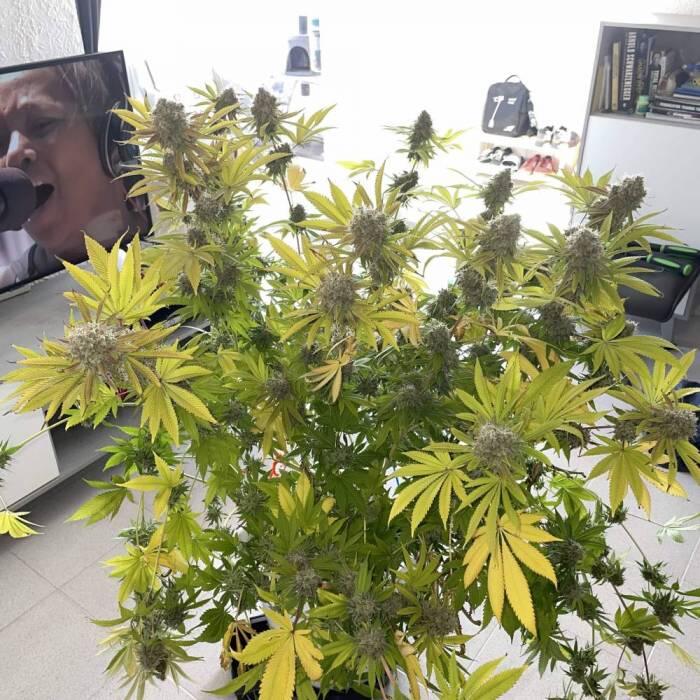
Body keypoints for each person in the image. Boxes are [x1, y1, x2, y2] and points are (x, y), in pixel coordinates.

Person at [0, 56, 149, 291]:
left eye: (41, 124)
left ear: (114, 140)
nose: (12, 156)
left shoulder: (174, 243)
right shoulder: (10, 286)